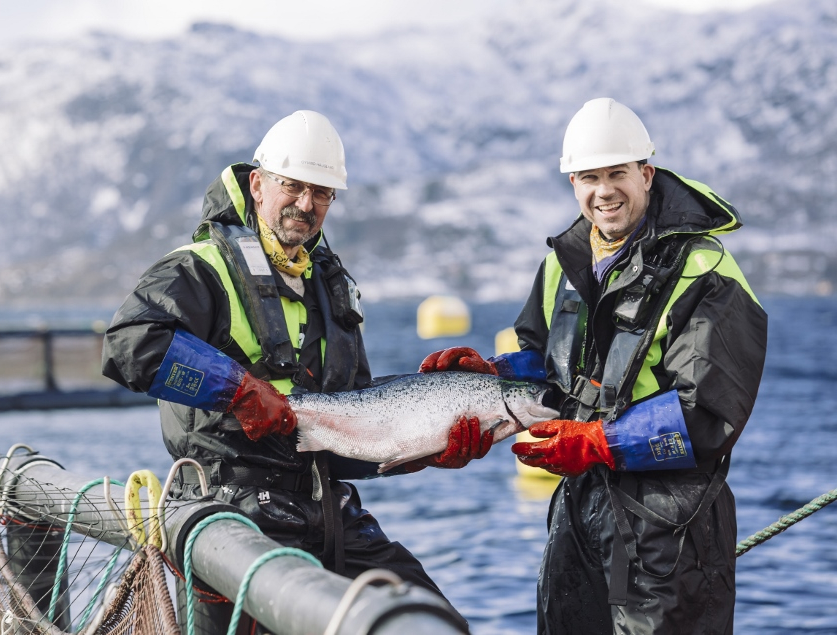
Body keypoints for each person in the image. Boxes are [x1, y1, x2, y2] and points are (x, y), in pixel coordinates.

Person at [102, 110, 479, 634]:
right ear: (258, 184)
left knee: (430, 623)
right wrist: (237, 390)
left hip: (329, 514)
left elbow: (346, 429)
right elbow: (129, 346)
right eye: (294, 186)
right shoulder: (199, 268)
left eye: (322, 192)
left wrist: (418, 451)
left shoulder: (333, 285)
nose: (307, 204)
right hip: (229, 516)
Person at [421, 98, 767, 634]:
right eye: (589, 177)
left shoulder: (706, 268)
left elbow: (709, 412)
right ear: (572, 183)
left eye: (617, 174)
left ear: (646, 175)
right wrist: (492, 376)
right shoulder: (563, 263)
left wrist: (598, 442)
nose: (604, 190)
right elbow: (546, 363)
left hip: (673, 531)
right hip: (578, 515)